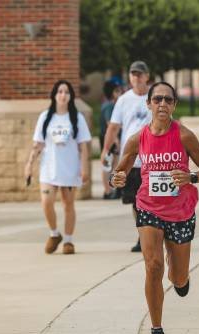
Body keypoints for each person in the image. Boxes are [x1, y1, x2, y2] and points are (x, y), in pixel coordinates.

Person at [111, 82, 199, 334]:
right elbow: (119, 172)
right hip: (149, 207)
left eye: (168, 100)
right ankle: (157, 332)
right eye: (157, 99)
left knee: (177, 277)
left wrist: (191, 177)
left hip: (181, 211)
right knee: (153, 266)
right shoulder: (137, 139)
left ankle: (180, 276)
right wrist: (116, 178)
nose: (162, 104)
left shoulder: (185, 136)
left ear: (174, 105)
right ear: (148, 104)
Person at [24, 80, 91, 255]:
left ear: (70, 96)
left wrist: (85, 168)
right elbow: (38, 144)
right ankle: (54, 234)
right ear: (54, 95)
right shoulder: (45, 117)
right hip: (49, 168)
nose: (63, 95)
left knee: (68, 204)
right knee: (46, 202)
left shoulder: (77, 118)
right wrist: (29, 165)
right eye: (60, 92)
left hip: (69, 168)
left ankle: (68, 240)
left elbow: (83, 146)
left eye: (66, 92)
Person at [101, 61, 152, 252]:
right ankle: (142, 237)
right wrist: (105, 149)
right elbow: (114, 127)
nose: (136, 77)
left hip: (152, 160)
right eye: (133, 74)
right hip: (131, 160)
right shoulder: (123, 100)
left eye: (140, 74)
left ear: (147, 76)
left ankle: (154, 234)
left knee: (152, 200)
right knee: (136, 201)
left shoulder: (155, 97)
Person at [100, 80, 122, 199]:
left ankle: (112, 188)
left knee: (114, 165)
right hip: (109, 140)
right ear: (111, 92)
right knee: (107, 165)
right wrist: (116, 141)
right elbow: (110, 125)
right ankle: (107, 191)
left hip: (112, 139)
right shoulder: (109, 106)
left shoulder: (112, 105)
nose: (119, 93)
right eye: (117, 91)